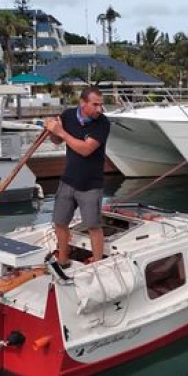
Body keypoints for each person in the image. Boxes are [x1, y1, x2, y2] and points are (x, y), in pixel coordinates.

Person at [46, 86, 110, 265]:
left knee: (93, 226)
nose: (99, 109)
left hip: (91, 184)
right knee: (59, 222)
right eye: (95, 104)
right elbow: (57, 140)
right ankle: (63, 260)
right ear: (82, 103)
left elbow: (86, 149)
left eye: (101, 105)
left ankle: (97, 263)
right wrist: (53, 129)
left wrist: (61, 132)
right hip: (68, 180)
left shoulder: (103, 123)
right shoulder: (68, 115)